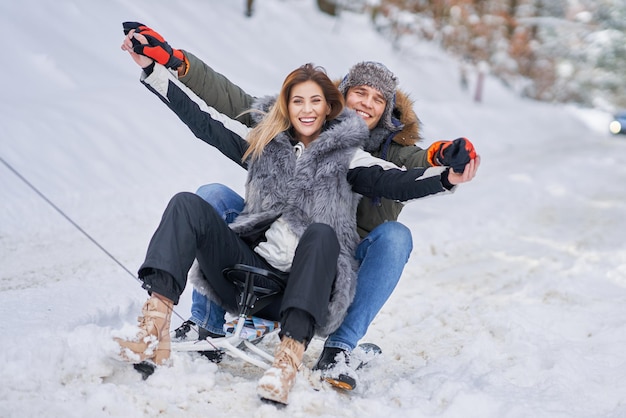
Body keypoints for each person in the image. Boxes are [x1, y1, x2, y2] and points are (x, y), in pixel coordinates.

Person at [120, 22, 480, 390]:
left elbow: (400, 176)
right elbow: (217, 116)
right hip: (263, 257)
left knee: (382, 236)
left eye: (377, 99)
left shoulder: (360, 160)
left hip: (330, 268)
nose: (366, 103)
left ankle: (329, 350)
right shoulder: (275, 142)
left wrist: (443, 169)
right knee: (206, 197)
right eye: (359, 92)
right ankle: (184, 324)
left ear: (387, 111)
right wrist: (167, 66)